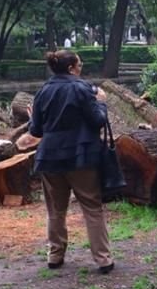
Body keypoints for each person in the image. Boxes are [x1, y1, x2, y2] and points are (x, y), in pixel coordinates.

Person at [27, 50, 114, 274]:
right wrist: (102, 103)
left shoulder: (42, 91)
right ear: (71, 68)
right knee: (92, 207)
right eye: (80, 64)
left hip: (49, 157)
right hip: (81, 155)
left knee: (55, 209)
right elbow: (98, 121)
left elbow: (35, 130)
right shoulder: (81, 88)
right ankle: (103, 259)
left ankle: (55, 255)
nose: (81, 67)